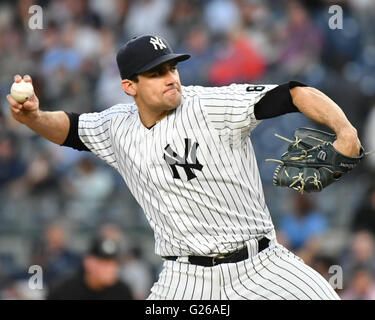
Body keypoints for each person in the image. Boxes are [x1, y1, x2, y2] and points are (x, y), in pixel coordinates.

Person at [7, 34, 361, 300]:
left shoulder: (210, 105)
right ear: (129, 86)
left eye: (172, 67)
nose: (171, 77)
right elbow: (69, 128)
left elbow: (294, 92)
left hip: (260, 264)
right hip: (185, 278)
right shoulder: (116, 127)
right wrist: (35, 117)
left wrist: (344, 130)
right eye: (157, 72)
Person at [46, 236, 133, 300]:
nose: (111, 269)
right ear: (88, 263)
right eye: (104, 263)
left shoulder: (122, 291)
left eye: (113, 263)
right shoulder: (64, 290)